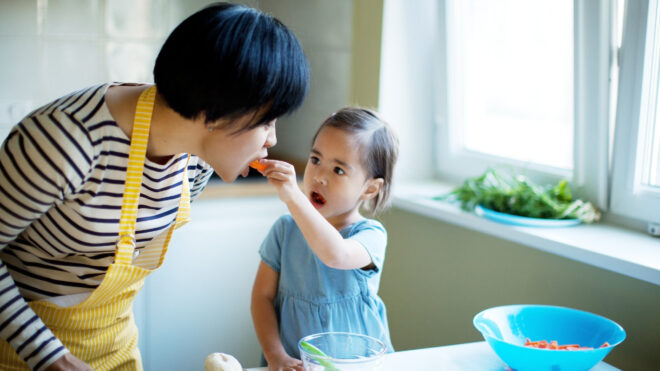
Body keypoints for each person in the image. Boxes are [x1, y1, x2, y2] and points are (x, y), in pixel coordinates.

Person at [0, 2, 309, 370]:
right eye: (266, 121)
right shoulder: (63, 142)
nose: (272, 139)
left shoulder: (195, 160)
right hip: (22, 355)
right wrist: (52, 358)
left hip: (115, 350)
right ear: (215, 112)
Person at [251, 107, 399, 370]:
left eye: (338, 170)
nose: (319, 177)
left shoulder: (371, 235)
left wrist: (293, 196)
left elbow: (335, 254)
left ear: (370, 188)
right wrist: (276, 356)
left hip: (357, 364)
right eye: (315, 160)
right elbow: (261, 298)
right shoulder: (285, 231)